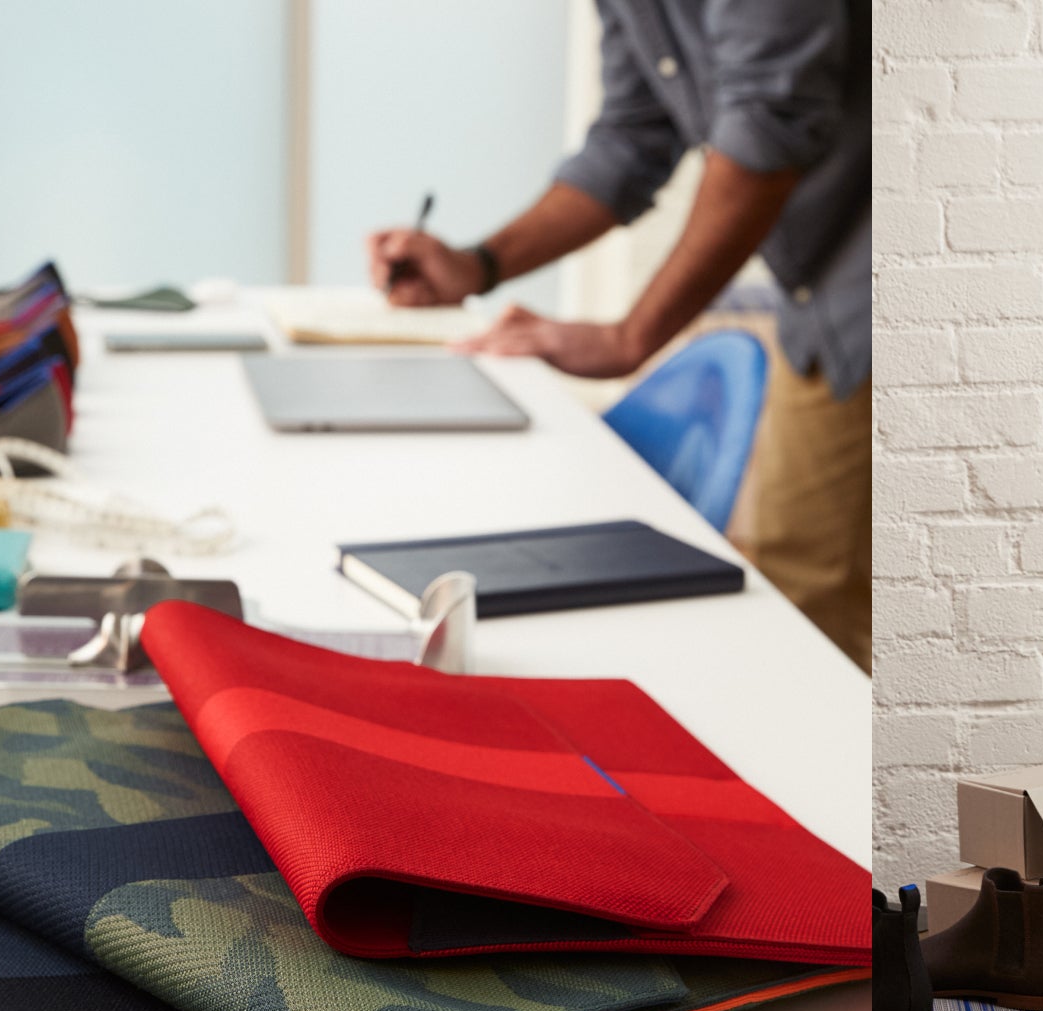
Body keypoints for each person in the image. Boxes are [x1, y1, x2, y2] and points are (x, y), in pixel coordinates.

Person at [366, 0, 870, 671]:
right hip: (822, 295)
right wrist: (476, 265)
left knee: (806, 607)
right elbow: (632, 138)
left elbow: (768, 131)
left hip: (891, 278)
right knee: (804, 590)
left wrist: (631, 336)